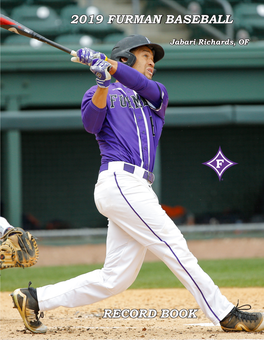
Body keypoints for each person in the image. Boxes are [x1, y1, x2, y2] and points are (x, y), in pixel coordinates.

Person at [11, 35, 264, 334]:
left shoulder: (156, 94)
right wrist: (104, 82)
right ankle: (224, 313)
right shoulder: (96, 90)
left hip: (136, 187)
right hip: (118, 180)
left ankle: (35, 299)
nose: (152, 63)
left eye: (153, 57)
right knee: (173, 243)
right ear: (127, 58)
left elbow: (139, 84)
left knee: (116, 277)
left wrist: (109, 66)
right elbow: (92, 123)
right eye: (145, 55)